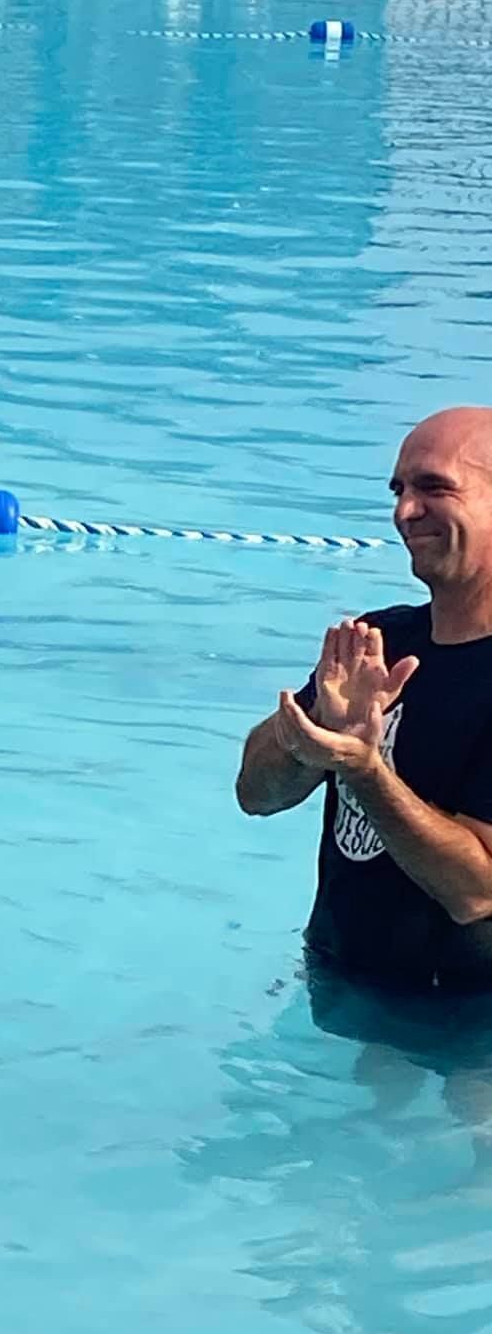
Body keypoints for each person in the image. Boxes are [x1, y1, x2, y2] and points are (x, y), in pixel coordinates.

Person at [236, 407, 492, 994]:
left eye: (434, 487)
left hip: (466, 1019)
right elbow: (254, 795)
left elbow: (475, 891)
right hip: (341, 983)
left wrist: (364, 768)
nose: (404, 511)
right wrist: (309, 734)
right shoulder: (380, 643)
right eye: (399, 489)